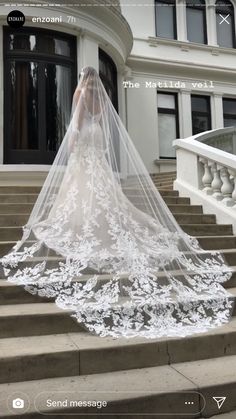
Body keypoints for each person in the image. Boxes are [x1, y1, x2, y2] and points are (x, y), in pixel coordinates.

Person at [0, 66, 234, 338]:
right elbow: (104, 131)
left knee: (81, 190)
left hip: (86, 139)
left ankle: (85, 226)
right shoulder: (101, 98)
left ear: (82, 79)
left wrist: (73, 139)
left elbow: (76, 122)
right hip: (97, 141)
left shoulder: (80, 93)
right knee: (102, 192)